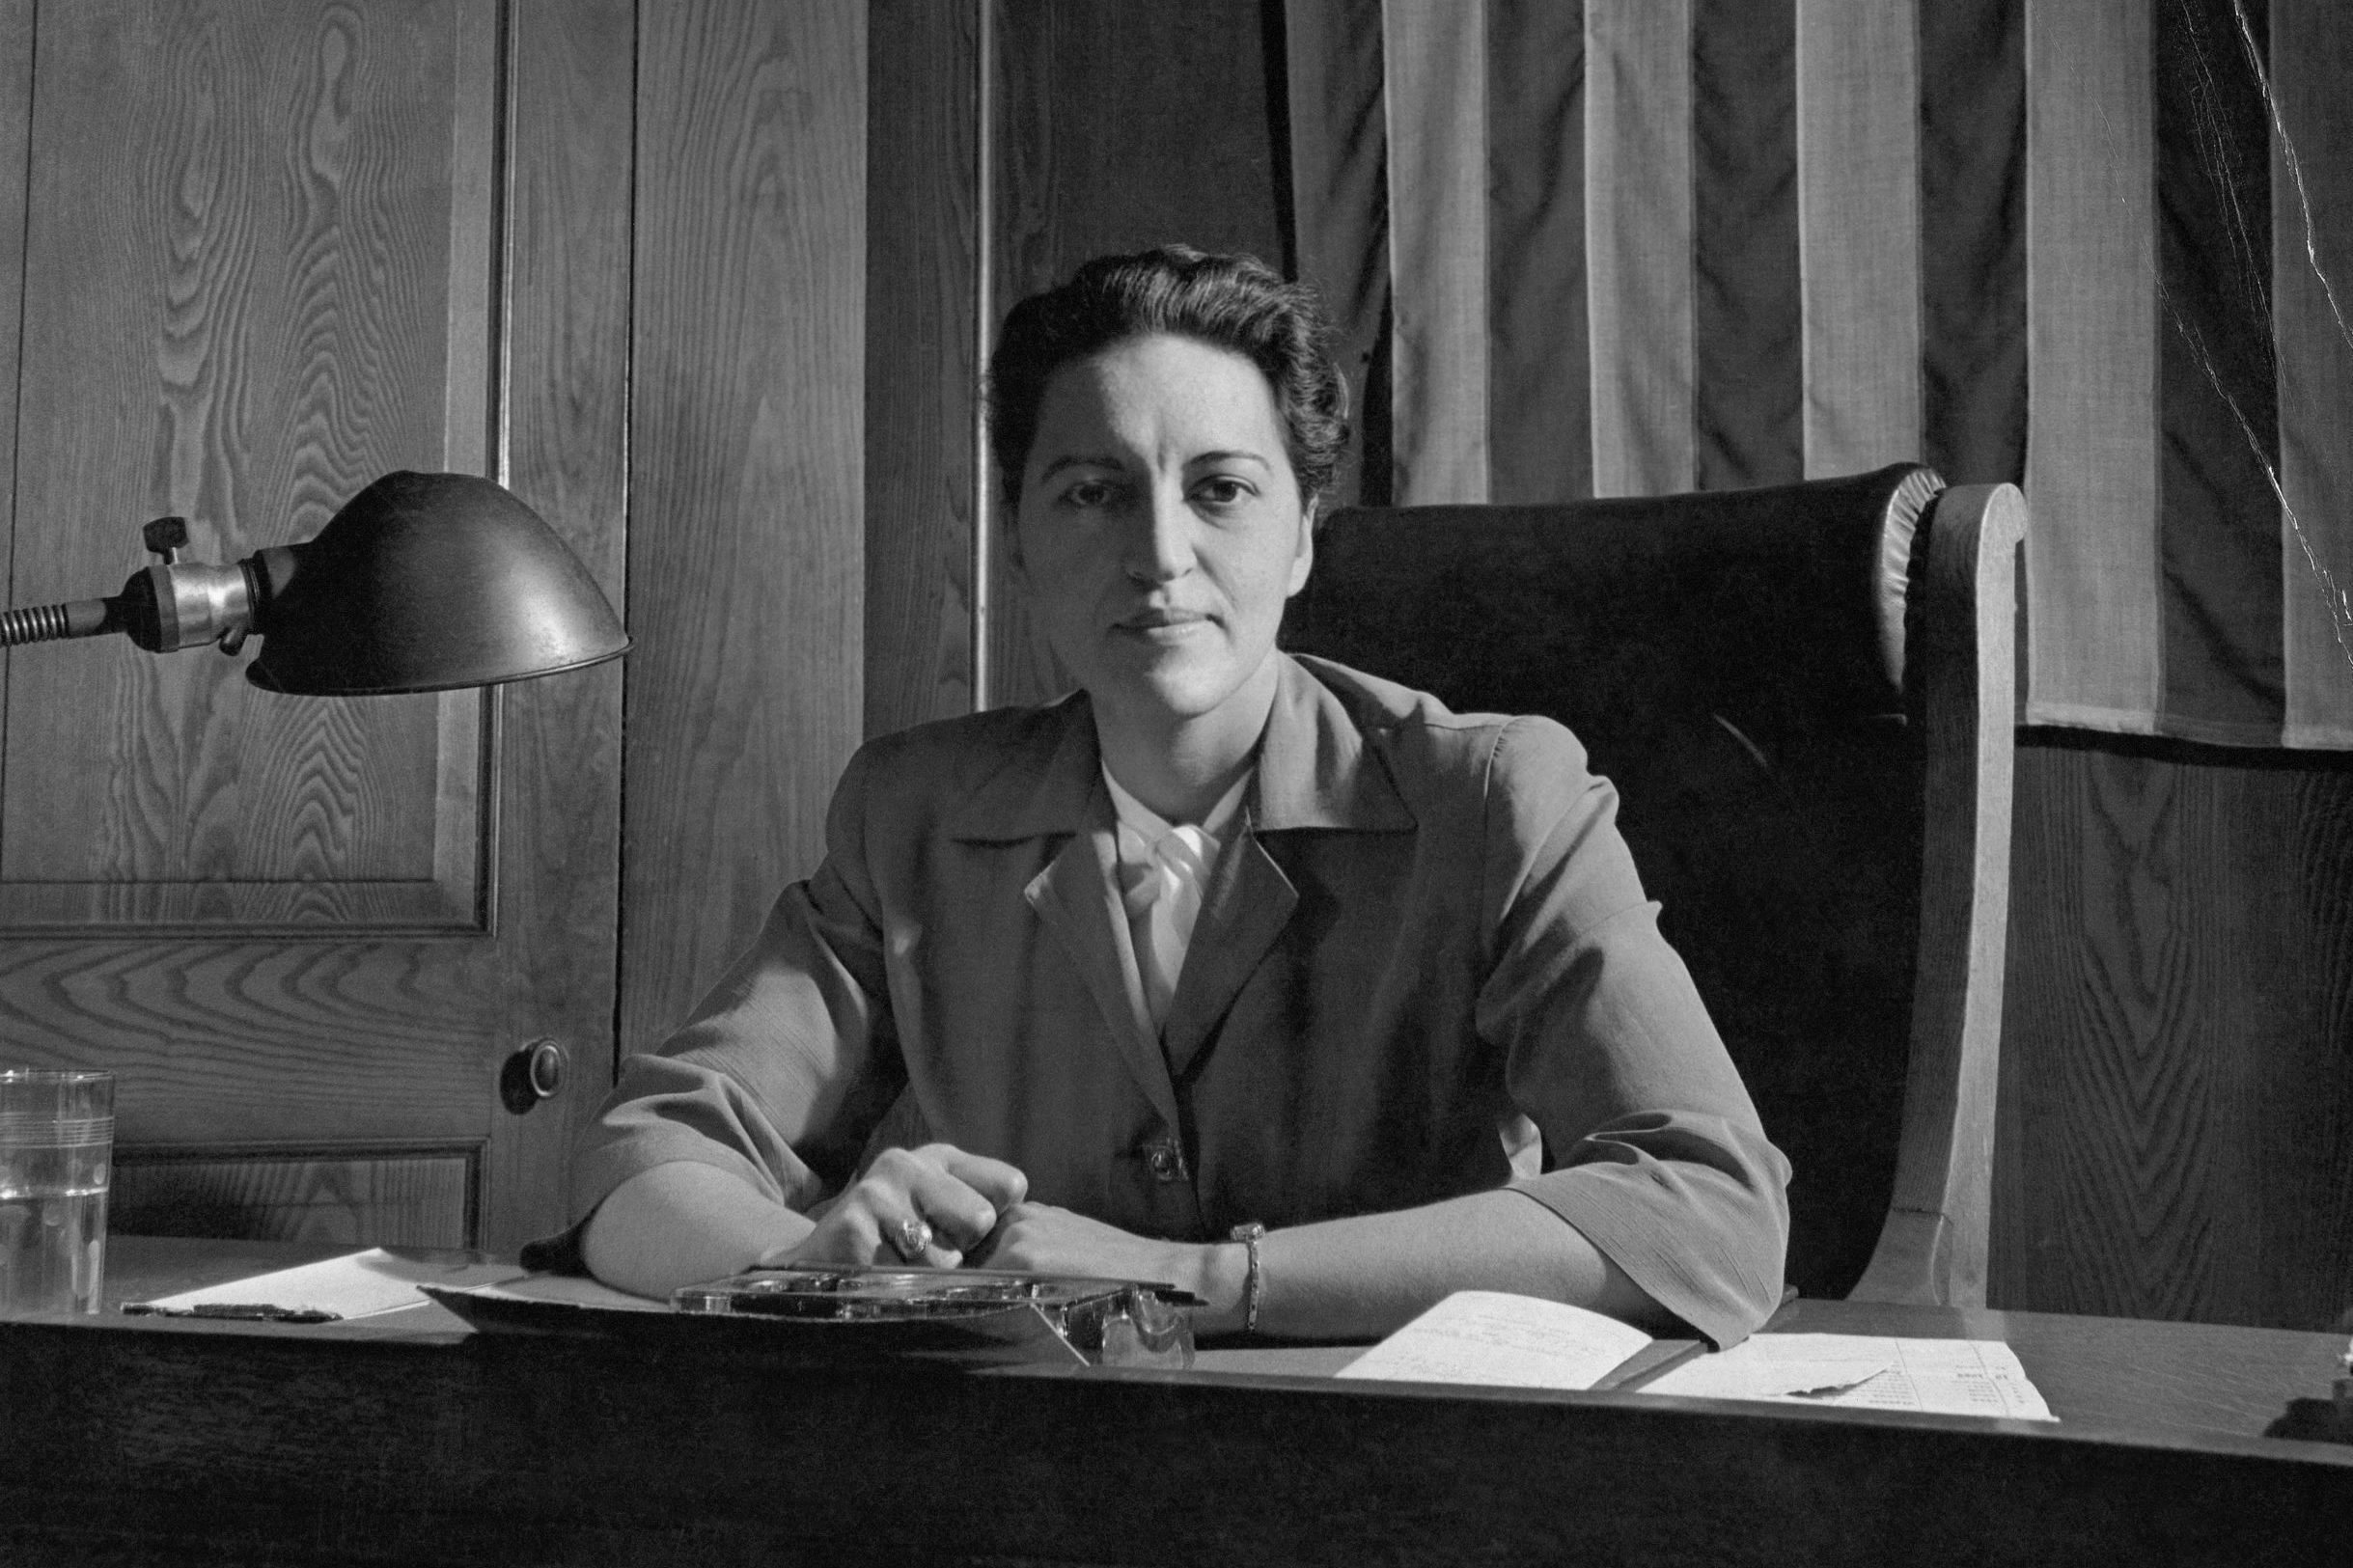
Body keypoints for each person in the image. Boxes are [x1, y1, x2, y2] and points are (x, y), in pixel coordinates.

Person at [570, 246, 1789, 1347]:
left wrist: (1191, 1275)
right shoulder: (914, 812)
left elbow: (1707, 1209)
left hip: (1393, 1479)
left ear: (1304, 535)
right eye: (1093, 493)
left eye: (1219, 490)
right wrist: (803, 1265)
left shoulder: (1494, 797)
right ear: (1019, 538)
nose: (1158, 553)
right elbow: (645, 1161)